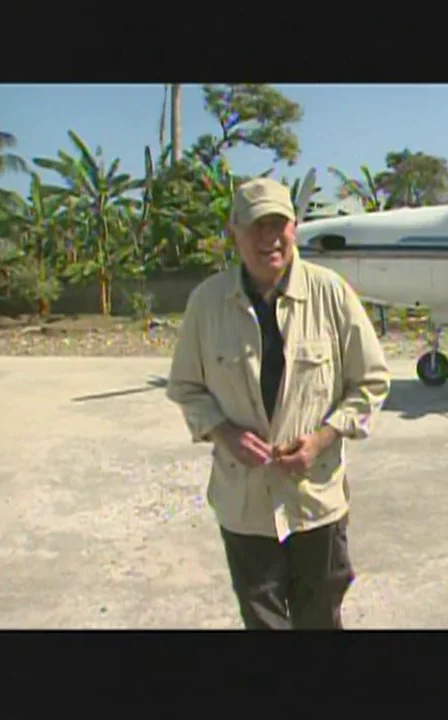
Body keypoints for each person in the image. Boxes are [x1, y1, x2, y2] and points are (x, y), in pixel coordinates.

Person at [165, 177, 391, 630]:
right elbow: (186, 387)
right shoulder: (206, 304)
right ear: (234, 231)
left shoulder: (331, 294)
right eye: (255, 226)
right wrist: (225, 433)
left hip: (315, 501)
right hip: (244, 504)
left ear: (295, 226)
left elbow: (371, 381)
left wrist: (323, 438)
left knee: (320, 619)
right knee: (263, 622)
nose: (269, 237)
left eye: (278, 224)